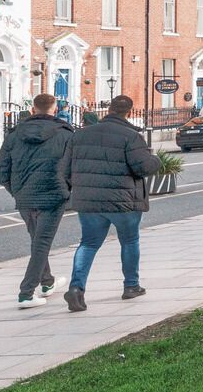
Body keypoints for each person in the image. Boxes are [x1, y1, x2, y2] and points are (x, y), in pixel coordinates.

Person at [60, 96, 160, 312]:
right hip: (123, 201)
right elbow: (143, 167)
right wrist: (155, 160)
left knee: (88, 243)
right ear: (130, 112)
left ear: (108, 110)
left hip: (89, 201)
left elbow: (65, 168)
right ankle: (131, 286)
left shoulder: (80, 135)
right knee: (129, 241)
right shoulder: (131, 136)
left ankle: (76, 288)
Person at [0, 93, 75, 309]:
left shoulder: (15, 134)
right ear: (55, 109)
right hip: (53, 195)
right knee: (41, 243)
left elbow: (2, 168)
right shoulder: (66, 134)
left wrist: (16, 190)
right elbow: (72, 166)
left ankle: (47, 282)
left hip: (25, 196)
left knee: (37, 240)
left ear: (33, 110)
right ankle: (26, 293)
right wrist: (67, 188)